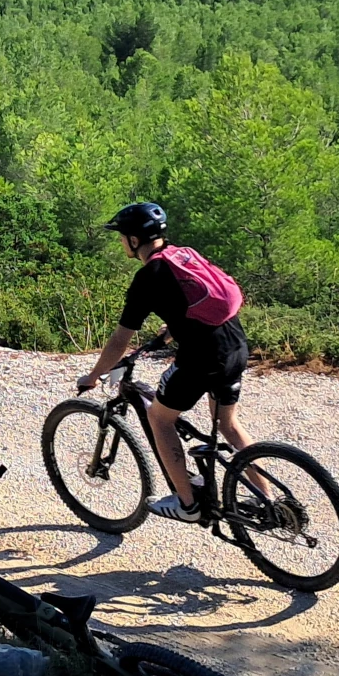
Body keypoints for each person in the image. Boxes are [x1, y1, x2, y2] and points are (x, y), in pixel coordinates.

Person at [76, 202, 256, 523]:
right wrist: (172, 330)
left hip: (204, 357)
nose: (121, 243)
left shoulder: (148, 277)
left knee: (159, 418)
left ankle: (188, 505)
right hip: (235, 345)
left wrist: (93, 376)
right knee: (228, 425)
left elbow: (119, 341)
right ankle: (272, 503)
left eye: (122, 237)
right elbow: (196, 304)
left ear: (134, 240)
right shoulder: (183, 255)